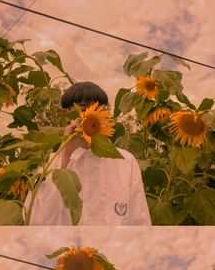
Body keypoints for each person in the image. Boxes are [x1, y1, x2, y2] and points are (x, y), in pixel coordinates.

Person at [29, 81, 151, 226]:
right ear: (67, 116)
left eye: (97, 111)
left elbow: (139, 221)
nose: (88, 116)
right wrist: (65, 155)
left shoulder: (125, 162)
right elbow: (37, 221)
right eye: (82, 110)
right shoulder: (50, 165)